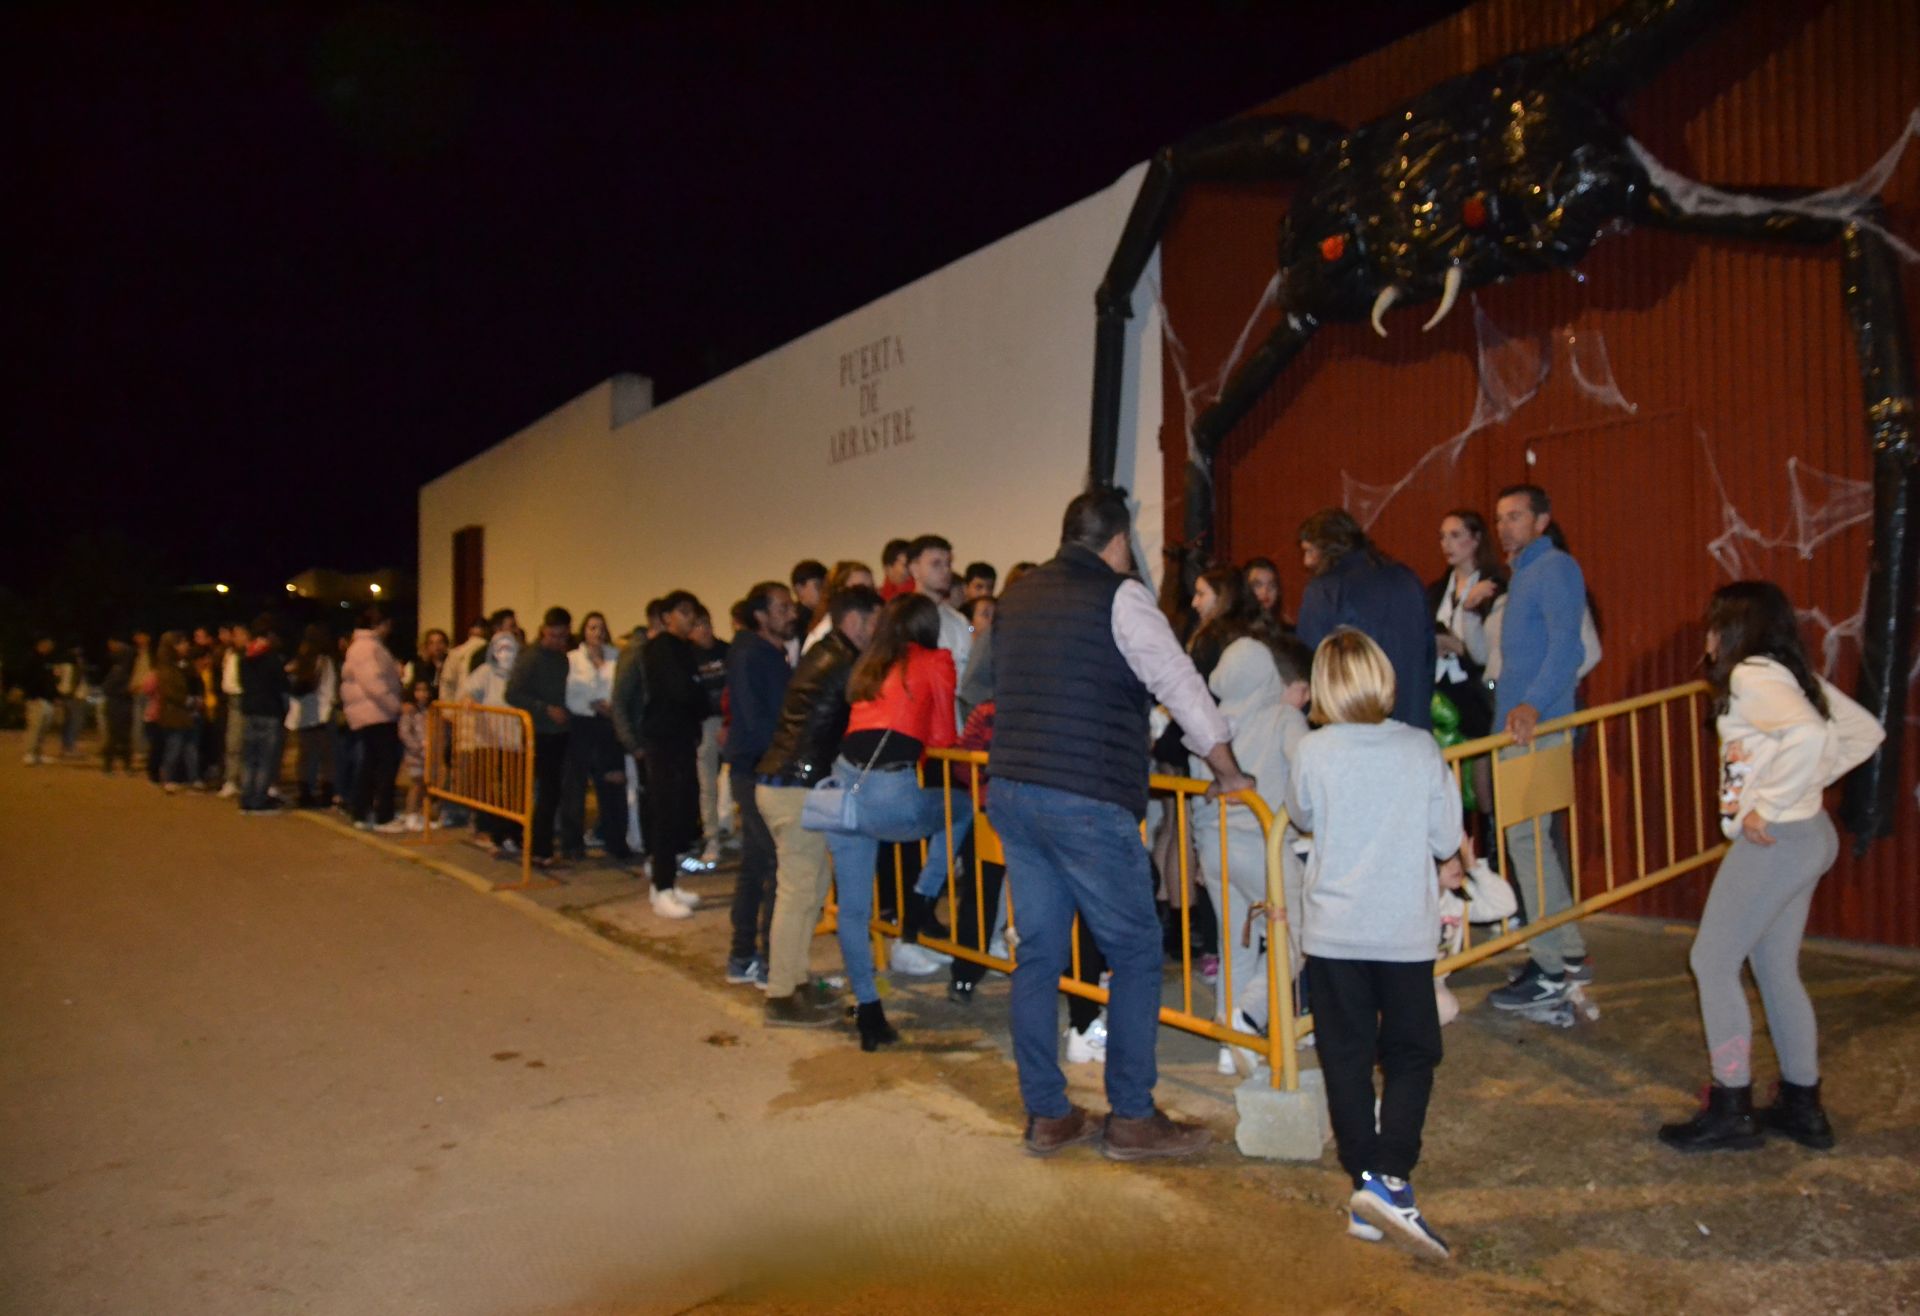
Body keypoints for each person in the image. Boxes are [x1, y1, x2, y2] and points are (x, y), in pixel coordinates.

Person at [990, 488, 1252, 1161]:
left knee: (1039, 955)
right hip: (1085, 795)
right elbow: (1179, 683)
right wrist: (1227, 769)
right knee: (1136, 950)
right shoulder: (1119, 595)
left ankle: (1049, 1114)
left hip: (1014, 791)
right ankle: (1132, 1118)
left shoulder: (1016, 596)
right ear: (1117, 540)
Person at [1658, 582, 1883, 1154]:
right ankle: (1802, 1107)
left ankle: (1731, 1104)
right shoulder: (1787, 672)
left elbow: (1810, 735)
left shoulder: (1751, 676)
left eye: (1713, 624)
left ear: (1734, 628)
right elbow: (1862, 731)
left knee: (1710, 961)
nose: (1707, 637)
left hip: (1778, 840)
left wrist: (1773, 803)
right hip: (1806, 836)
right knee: (1775, 967)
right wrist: (1799, 790)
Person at [1286, 628, 1461, 1259]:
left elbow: (1301, 815)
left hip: (1334, 932)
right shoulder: (1419, 747)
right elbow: (1446, 838)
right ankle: (1391, 1178)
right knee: (1413, 1053)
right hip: (1402, 934)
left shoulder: (1312, 750)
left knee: (1346, 1057)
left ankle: (1365, 1184)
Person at [818, 593, 957, 1051]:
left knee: (853, 911)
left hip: (842, 785)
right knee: (961, 810)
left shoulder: (868, 665)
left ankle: (870, 1012)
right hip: (889, 791)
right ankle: (918, 910)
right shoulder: (935, 660)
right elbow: (941, 738)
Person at [1483, 484, 1593, 1012]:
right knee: (1534, 841)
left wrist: (1529, 706)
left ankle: (1548, 966)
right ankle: (1566, 951)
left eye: (1517, 516)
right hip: (1528, 726)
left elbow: (1567, 648)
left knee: (1526, 841)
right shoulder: (1527, 572)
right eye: (1500, 518)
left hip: (1536, 728)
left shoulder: (1554, 570)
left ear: (1542, 521)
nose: (1505, 526)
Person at [757, 584, 884, 1026]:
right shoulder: (842, 663)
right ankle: (780, 994)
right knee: (798, 891)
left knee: (809, 889)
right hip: (794, 786)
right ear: (855, 621)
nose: (878, 633)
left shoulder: (824, 653)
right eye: (875, 623)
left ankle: (795, 981)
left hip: (789, 782)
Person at [1191, 630, 1313, 1076]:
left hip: (1217, 849)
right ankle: (1252, 1013)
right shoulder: (1283, 719)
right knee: (1299, 930)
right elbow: (1306, 772)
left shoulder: (1207, 726)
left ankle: (1231, 1042)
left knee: (1235, 943)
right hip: (1265, 848)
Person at [1295, 508, 1434, 730]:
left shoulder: (1324, 590)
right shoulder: (1406, 576)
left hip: (1355, 725)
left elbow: (1310, 661)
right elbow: (1428, 652)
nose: (1306, 562)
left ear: (1328, 548)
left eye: (1310, 551)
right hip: (1413, 719)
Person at [724, 580, 795, 986]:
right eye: (782, 608)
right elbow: (758, 720)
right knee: (772, 863)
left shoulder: (767, 653)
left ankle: (741, 956)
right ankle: (770, 962)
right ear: (761, 616)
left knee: (754, 863)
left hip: (756, 768)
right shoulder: (754, 656)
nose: (791, 613)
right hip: (757, 771)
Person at [1430, 509, 1506, 847]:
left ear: (1476, 539)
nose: (1448, 544)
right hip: (1441, 690)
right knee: (1446, 780)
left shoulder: (1494, 584)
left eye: (1456, 535)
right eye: (1443, 536)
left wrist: (1457, 646)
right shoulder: (1435, 590)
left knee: (1482, 778)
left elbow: (1492, 650)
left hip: (1478, 689)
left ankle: (1490, 845)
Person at [641, 591, 710, 917]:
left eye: (692, 613)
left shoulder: (685, 649)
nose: (689, 618)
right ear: (667, 616)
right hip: (664, 739)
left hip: (682, 738)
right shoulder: (660, 648)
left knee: (680, 811)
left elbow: (696, 691)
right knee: (665, 813)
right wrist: (699, 694)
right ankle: (662, 888)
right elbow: (683, 691)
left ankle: (667, 882)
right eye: (683, 612)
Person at [559, 611, 633, 865]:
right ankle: (572, 843)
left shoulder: (615, 657)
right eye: (592, 627)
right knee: (575, 786)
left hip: (608, 725)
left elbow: (621, 688)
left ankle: (616, 840)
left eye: (601, 627)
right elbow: (569, 692)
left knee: (612, 784)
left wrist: (612, 707)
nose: (597, 632)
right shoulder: (572, 659)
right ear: (584, 631)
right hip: (582, 722)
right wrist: (592, 704)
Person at [507, 606, 577, 869]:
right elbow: (513, 694)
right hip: (538, 732)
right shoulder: (531, 657)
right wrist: (545, 709)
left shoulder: (562, 659)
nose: (559, 641)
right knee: (543, 792)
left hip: (560, 733)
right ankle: (538, 847)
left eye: (563, 637)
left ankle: (537, 842)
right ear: (544, 630)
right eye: (554, 636)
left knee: (552, 792)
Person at [341, 606, 407, 832]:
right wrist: (395, 705)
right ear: (381, 624)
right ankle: (382, 816)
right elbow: (374, 684)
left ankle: (363, 811)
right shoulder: (368, 648)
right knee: (384, 766)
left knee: (369, 764)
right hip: (377, 713)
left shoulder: (360, 646)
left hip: (368, 713)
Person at [463, 630, 525, 856]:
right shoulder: (485, 672)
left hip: (514, 740)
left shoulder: (519, 673)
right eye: (501, 648)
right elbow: (468, 692)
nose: (505, 653)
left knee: (514, 790)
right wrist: (470, 702)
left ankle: (513, 834)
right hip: (489, 739)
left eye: (510, 648)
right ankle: (493, 833)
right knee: (492, 789)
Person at [688, 606, 731, 866]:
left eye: (707, 623)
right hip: (706, 724)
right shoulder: (689, 656)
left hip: (730, 721)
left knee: (738, 781)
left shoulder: (725, 650)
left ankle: (735, 831)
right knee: (707, 784)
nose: (705, 630)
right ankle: (711, 836)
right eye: (698, 625)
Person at [236, 614, 291, 815]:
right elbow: (283, 686)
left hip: (250, 710)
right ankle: (259, 800)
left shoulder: (244, 658)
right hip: (269, 711)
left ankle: (247, 798)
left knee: (250, 758)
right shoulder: (272, 659)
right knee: (266, 759)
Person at [285, 624, 337, 808]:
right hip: (322, 714)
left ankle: (305, 792)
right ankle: (326, 793)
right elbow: (329, 690)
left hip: (304, 715)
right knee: (327, 757)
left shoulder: (300, 662)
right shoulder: (324, 662)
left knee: (306, 756)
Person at [153, 631, 201, 791]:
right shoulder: (166, 666)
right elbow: (169, 691)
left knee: (191, 747)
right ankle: (168, 778)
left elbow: (195, 683)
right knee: (175, 746)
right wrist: (188, 700)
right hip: (174, 713)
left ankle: (193, 778)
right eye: (181, 643)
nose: (186, 645)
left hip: (189, 712)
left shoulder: (186, 664)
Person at [801, 561, 874, 654]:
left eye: (870, 589)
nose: (867, 596)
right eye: (858, 590)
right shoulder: (821, 637)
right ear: (837, 593)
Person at [217, 620, 250, 796]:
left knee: (243, 742)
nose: (235, 638)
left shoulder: (248, 655)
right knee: (232, 742)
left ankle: (244, 780)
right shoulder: (230, 653)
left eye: (238, 634)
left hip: (243, 698)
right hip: (231, 699)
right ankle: (231, 779)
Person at [397, 678, 432, 830]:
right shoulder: (410, 711)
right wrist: (417, 747)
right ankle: (411, 814)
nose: (422, 694)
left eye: (425, 691)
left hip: (427, 755)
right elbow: (404, 732)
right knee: (415, 785)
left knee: (424, 785)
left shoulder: (431, 711)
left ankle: (419, 814)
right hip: (415, 755)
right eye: (418, 690)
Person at [19, 636, 60, 766]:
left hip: (47, 699)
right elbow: (26, 679)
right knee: (35, 727)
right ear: (40, 644)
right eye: (48, 645)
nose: (50, 648)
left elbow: (50, 682)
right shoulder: (31, 659)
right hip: (36, 698)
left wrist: (55, 696)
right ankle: (29, 753)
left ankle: (38, 753)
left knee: (43, 728)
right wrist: (32, 695)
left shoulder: (47, 660)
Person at [100, 637, 135, 774]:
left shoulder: (123, 671)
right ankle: (108, 765)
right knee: (114, 736)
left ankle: (125, 765)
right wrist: (126, 690)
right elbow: (107, 689)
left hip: (123, 705)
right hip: (116, 705)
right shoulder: (118, 670)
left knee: (124, 737)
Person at [440, 618, 489, 704]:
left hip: (460, 706)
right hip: (488, 709)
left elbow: (447, 684)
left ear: (469, 633)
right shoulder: (493, 653)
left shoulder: (455, 653)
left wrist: (448, 712)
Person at [1243, 555, 1287, 629]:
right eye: (1257, 585)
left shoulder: (1285, 628)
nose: (1265, 591)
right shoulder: (1236, 628)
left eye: (1272, 585)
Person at [789, 560, 827, 641]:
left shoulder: (827, 615)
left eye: (826, 586)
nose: (824, 591)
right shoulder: (794, 621)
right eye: (818, 586)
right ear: (799, 589)